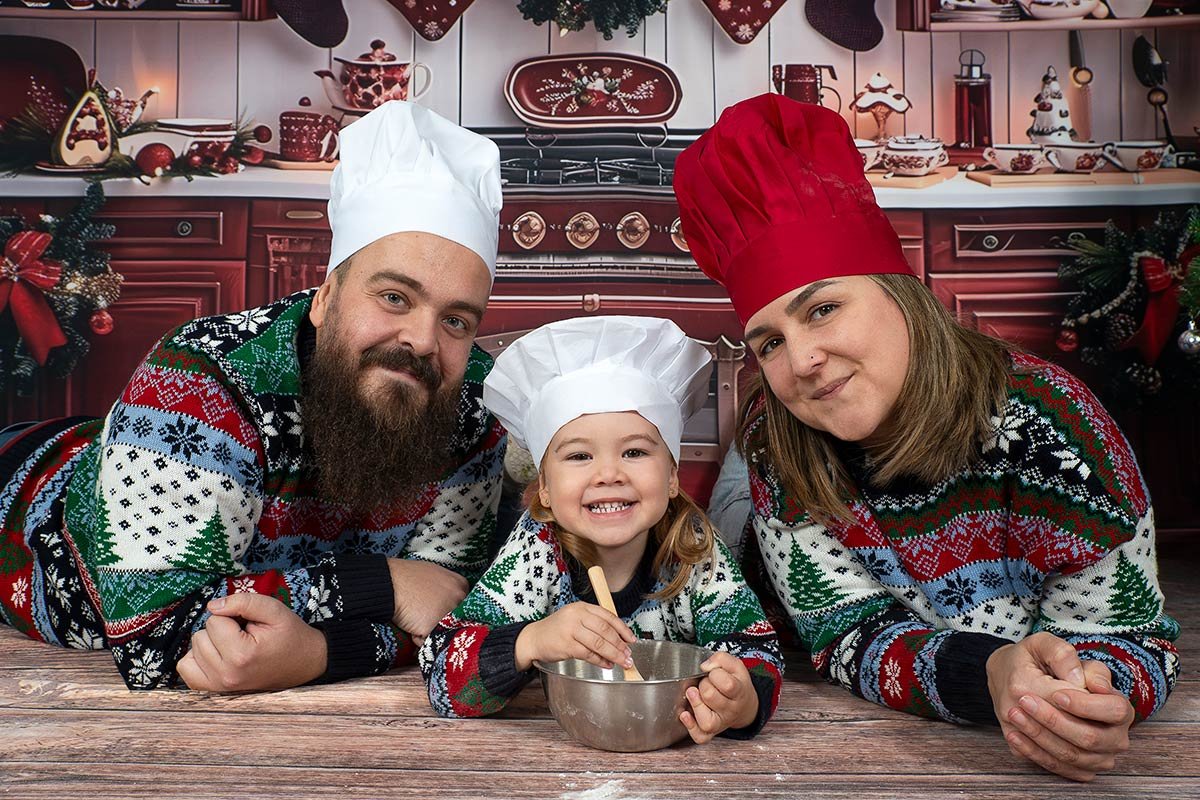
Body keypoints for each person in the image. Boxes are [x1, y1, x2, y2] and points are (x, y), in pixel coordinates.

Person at [673, 95, 1180, 780]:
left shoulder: (1051, 425)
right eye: (769, 342)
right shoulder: (777, 436)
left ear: (898, 291)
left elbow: (1131, 636)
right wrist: (989, 675)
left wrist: (1084, 699)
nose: (800, 362)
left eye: (822, 309)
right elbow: (845, 634)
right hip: (761, 534)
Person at [0, 100, 507, 692]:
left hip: (140, 460)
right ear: (325, 298)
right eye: (394, 297)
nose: (423, 341)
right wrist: (381, 589)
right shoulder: (196, 379)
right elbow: (157, 639)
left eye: (456, 322)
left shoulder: (472, 406)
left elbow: (451, 616)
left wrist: (314, 646)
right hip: (24, 492)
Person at [418, 316, 783, 743]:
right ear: (547, 489)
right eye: (578, 457)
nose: (609, 474)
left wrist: (741, 702)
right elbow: (441, 668)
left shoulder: (694, 549)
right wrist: (531, 641)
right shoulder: (538, 551)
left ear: (671, 477)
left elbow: (756, 652)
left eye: (633, 451)